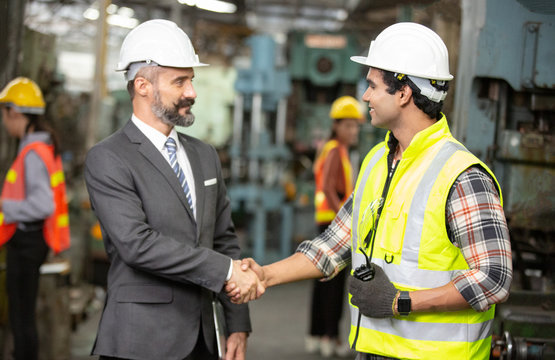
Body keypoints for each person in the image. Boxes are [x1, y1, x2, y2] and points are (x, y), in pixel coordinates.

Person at [228, 22, 512, 360]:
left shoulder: (461, 176)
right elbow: (333, 245)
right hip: (371, 351)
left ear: (404, 93)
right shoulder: (378, 160)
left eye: (373, 86)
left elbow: (494, 278)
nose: (365, 97)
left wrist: (400, 302)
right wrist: (265, 274)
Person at [84, 19, 262, 360]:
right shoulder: (109, 158)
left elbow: (223, 239)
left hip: (204, 339)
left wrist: (237, 321)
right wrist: (225, 271)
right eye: (179, 81)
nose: (191, 92)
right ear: (142, 86)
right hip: (140, 341)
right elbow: (137, 244)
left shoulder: (204, 155)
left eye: (191, 80)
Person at [0, 77, 70, 360]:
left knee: (21, 317)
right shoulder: (40, 147)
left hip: (28, 242)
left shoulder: (32, 153)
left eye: (4, 115)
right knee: (22, 315)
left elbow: (43, 205)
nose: (4, 123)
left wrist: (5, 207)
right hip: (33, 241)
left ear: (14, 113)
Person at [308, 96, 362, 357]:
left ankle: (318, 335)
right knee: (333, 286)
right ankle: (331, 337)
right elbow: (329, 188)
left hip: (326, 222)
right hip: (333, 225)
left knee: (322, 283)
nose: (354, 131)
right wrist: (346, 219)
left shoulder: (331, 149)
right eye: (349, 126)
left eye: (356, 126)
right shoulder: (334, 150)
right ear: (337, 126)